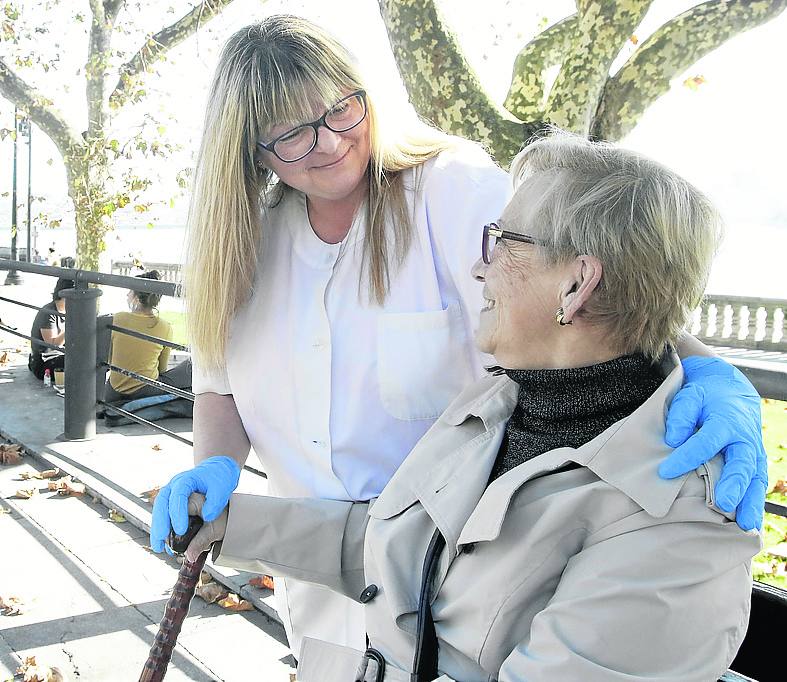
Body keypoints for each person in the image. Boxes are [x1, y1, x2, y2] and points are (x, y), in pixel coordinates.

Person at [151, 15, 767, 658]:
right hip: (323, 563)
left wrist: (712, 371)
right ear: (248, 147)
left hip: (468, 572)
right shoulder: (238, 243)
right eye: (293, 133)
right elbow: (219, 387)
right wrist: (213, 474)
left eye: (341, 109)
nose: (330, 141)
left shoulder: (451, 191)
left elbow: (591, 293)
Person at [103, 270, 191, 404]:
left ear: (137, 299)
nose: (127, 295)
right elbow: (162, 369)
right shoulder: (165, 327)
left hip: (112, 392)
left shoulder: (118, 318)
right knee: (191, 367)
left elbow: (109, 358)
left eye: (130, 292)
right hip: (145, 391)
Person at [28, 277, 72, 380]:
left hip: (59, 356)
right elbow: (52, 344)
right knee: (80, 362)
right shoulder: (49, 312)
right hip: (43, 362)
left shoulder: (68, 310)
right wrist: (72, 326)